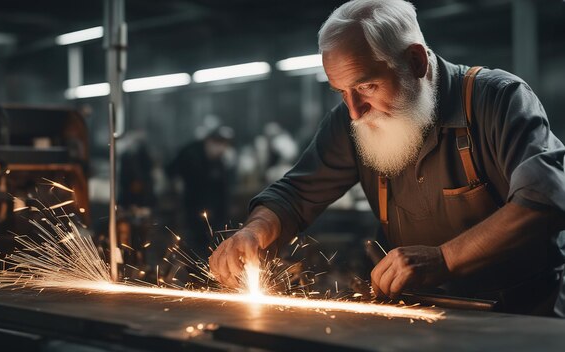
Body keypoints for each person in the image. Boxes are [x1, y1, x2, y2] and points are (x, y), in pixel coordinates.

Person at [209, 0, 565, 316]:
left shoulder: (498, 99)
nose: (354, 112)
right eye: (340, 92)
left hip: (523, 313)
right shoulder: (352, 121)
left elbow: (545, 200)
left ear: (415, 61)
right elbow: (295, 195)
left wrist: (445, 259)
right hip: (424, 312)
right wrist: (254, 232)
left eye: (366, 86)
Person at [167, 126, 235, 257]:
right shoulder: (190, 153)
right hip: (192, 207)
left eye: (224, 145)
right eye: (218, 144)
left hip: (213, 210)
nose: (221, 149)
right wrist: (176, 182)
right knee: (193, 244)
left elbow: (223, 189)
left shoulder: (219, 161)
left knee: (212, 243)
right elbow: (170, 170)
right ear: (209, 142)